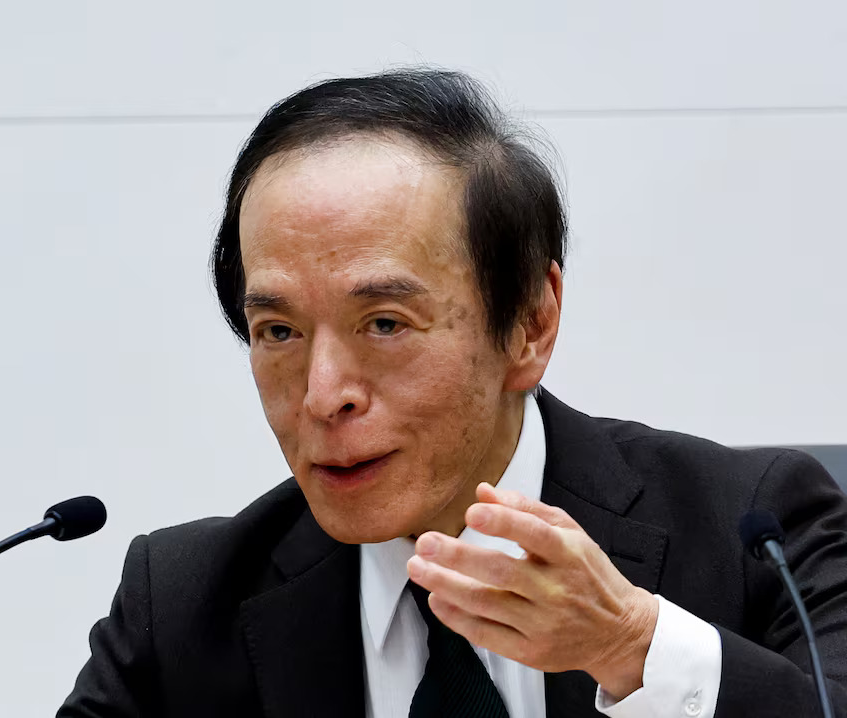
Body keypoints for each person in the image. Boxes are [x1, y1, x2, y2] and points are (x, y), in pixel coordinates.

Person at [57, 69, 847, 718]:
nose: (322, 396)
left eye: (386, 323)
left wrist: (632, 646)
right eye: (279, 333)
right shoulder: (185, 604)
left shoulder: (754, 530)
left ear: (531, 324)